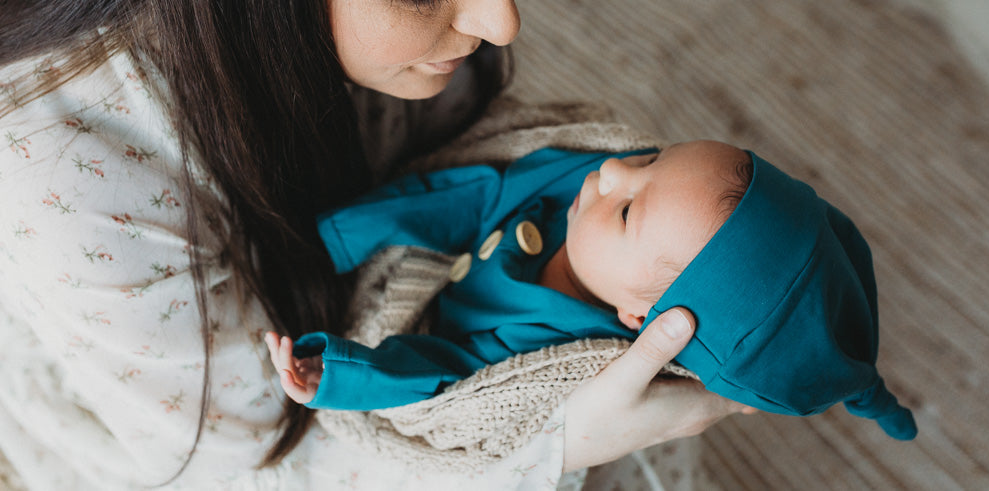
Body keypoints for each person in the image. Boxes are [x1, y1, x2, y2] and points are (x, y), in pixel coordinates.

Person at [0, 0, 749, 488]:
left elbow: (471, 157)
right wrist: (555, 445)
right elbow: (244, 466)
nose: (502, 21)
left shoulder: (364, 20)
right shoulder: (68, 173)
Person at [265, 142, 917, 441]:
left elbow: (446, 377)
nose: (610, 171)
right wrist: (335, 238)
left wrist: (340, 372)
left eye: (629, 208)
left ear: (640, 313)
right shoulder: (572, 187)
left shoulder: (550, 346)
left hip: (437, 334)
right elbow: (477, 193)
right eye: (651, 159)